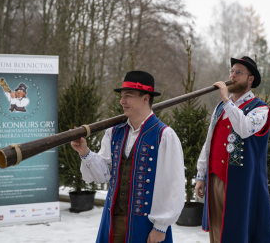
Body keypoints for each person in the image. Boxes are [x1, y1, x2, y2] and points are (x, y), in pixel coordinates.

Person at [71, 71, 185, 243]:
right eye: (122, 96)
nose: (122, 101)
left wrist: (160, 226)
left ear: (146, 98)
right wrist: (84, 153)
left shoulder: (164, 135)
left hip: (146, 224)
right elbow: (103, 174)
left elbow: (172, 185)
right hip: (112, 220)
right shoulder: (114, 132)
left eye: (128, 96)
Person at [194, 56, 270, 243]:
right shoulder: (221, 108)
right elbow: (209, 142)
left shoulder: (260, 109)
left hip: (240, 183)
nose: (233, 75)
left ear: (250, 79)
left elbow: (244, 128)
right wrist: (201, 175)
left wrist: (226, 100)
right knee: (217, 231)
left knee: (236, 231)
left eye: (239, 72)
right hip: (215, 177)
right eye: (232, 71)